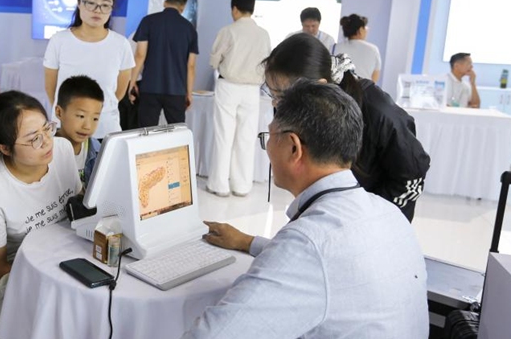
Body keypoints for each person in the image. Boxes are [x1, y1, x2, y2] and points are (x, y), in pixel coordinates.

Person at [182, 80, 428, 339]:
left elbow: (212, 335)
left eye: (268, 137)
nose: (266, 148)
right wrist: (248, 242)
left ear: (293, 147)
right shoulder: (387, 212)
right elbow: (333, 268)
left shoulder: (309, 242)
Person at [263, 33, 430, 221]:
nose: (275, 104)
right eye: (272, 93)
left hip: (375, 213)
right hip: (330, 207)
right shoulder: (295, 104)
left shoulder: (376, 110)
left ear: (319, 85)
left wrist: (371, 215)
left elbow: (411, 172)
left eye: (281, 95)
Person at [0, 91, 82, 337]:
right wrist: (52, 281)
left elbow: (76, 207)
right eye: (33, 139)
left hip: (64, 251)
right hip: (15, 264)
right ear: (5, 148)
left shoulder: (62, 150)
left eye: (47, 129)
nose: (47, 142)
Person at [44, 0, 134, 139]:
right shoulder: (59, 40)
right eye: (91, 2)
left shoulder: (121, 45)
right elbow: (52, 89)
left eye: (105, 5)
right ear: (79, 3)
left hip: (106, 130)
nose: (97, 10)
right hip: (64, 131)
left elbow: (118, 93)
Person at [207, 0, 271, 197]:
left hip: (229, 86)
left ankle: (219, 185)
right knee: (246, 137)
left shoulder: (228, 31)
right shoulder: (263, 34)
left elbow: (214, 60)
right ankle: (242, 186)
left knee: (223, 135)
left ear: (235, 9)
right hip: (252, 90)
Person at [129, 0, 199, 127]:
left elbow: (140, 55)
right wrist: (189, 93)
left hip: (149, 87)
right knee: (177, 133)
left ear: (165, 2)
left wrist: (132, 82)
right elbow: (190, 66)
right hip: (177, 90)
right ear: (183, 6)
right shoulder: (189, 28)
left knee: (146, 132)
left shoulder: (148, 21)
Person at [54, 75, 104, 185]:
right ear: (59, 112)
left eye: (95, 118)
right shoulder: (47, 150)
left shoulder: (97, 149)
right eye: (81, 116)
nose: (87, 126)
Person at [335, 13, 382, 82]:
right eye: (365, 27)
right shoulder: (373, 49)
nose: (366, 30)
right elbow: (375, 76)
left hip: (339, 90)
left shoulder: (334, 47)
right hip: (363, 90)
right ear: (360, 30)